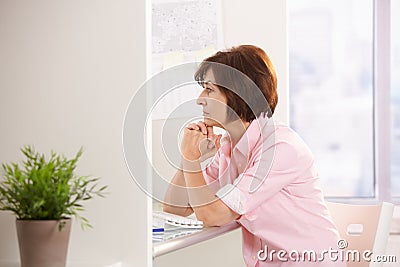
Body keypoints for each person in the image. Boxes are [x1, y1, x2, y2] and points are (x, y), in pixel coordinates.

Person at [163, 45, 345, 266]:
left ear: (238, 94)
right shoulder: (229, 147)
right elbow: (176, 209)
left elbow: (214, 215)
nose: (200, 99)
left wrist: (192, 160)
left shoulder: (279, 147)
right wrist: (189, 158)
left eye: (209, 90)